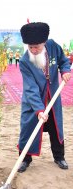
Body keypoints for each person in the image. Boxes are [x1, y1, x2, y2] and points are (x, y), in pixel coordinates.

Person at [17, 22, 71, 173]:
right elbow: (30, 88)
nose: (33, 50)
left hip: (53, 98)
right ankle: (25, 159)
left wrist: (65, 70)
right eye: (30, 47)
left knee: (56, 128)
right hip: (33, 103)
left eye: (37, 47)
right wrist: (39, 109)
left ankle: (59, 157)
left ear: (44, 43)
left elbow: (63, 61)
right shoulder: (24, 61)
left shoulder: (53, 46)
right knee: (28, 129)